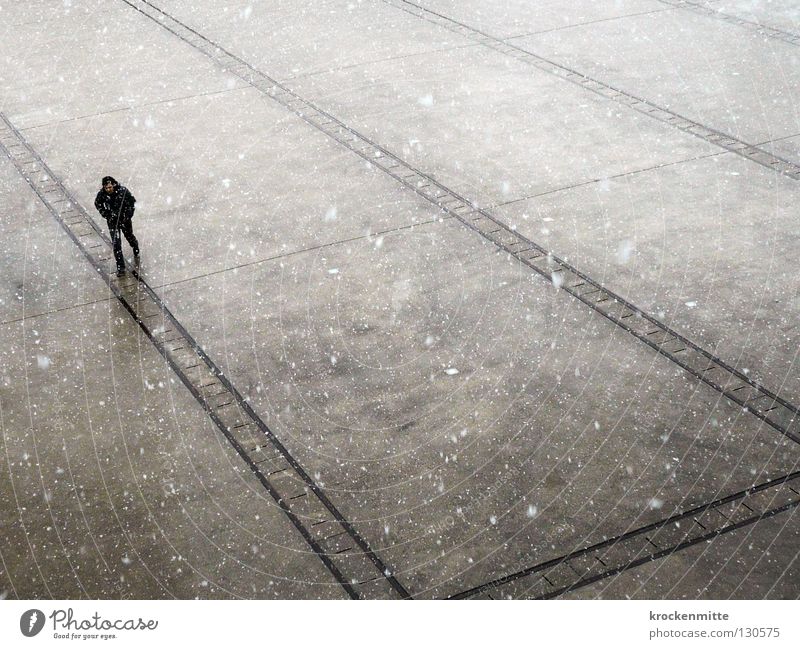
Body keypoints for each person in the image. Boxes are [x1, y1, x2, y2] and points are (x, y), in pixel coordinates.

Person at [94, 176, 139, 275]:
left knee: (129, 236)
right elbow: (98, 204)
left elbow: (132, 203)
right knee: (116, 244)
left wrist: (128, 215)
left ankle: (135, 245)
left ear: (113, 185)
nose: (108, 190)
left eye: (110, 187)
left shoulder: (122, 191)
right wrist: (106, 214)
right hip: (112, 222)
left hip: (124, 220)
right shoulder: (102, 195)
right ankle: (121, 267)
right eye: (106, 188)